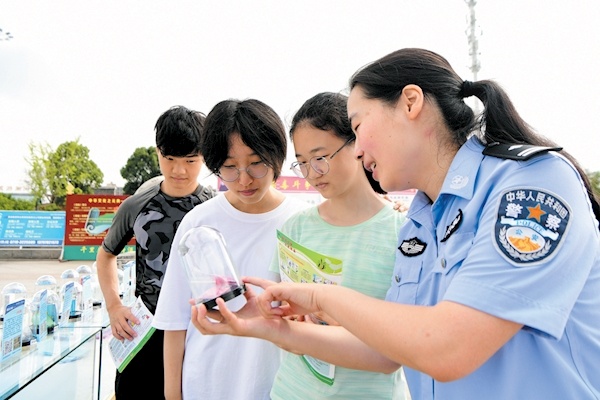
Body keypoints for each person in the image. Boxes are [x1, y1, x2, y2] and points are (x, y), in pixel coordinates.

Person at [191, 48, 600, 399]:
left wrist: (319, 297)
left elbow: (449, 348)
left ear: (410, 102)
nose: (358, 150)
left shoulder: (528, 186)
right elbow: (387, 352)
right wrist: (269, 328)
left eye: (357, 126)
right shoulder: (419, 225)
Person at [152, 98, 308, 400]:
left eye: (256, 163)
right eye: (230, 167)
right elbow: (175, 322)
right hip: (206, 386)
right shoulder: (198, 223)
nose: (244, 179)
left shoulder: (302, 222)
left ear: (276, 156)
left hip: (275, 388)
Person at [259, 92, 408, 399]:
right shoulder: (295, 228)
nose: (311, 174)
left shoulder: (403, 232)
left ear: (357, 143)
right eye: (302, 163)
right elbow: (281, 315)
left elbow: (403, 343)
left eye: (320, 159)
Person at [96, 105, 216, 399]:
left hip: (196, 330)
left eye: (190, 160)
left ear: (204, 157)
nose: (179, 170)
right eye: (169, 159)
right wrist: (114, 307)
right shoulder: (137, 205)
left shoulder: (214, 207)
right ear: (157, 153)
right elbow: (106, 255)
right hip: (146, 329)